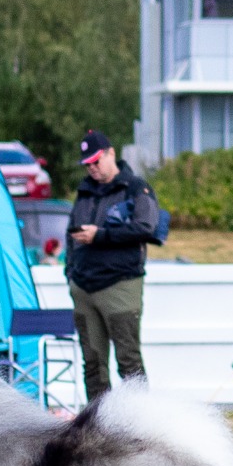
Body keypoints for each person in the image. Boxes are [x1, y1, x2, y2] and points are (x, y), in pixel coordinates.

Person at [65, 131, 160, 402]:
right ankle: (97, 425)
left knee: (128, 362)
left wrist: (101, 236)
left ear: (111, 154)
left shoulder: (134, 188)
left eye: (96, 161)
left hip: (119, 285)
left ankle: (141, 424)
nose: (92, 168)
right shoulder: (84, 192)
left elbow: (146, 227)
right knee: (93, 364)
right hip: (84, 287)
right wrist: (70, 273)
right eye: (87, 164)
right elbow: (70, 235)